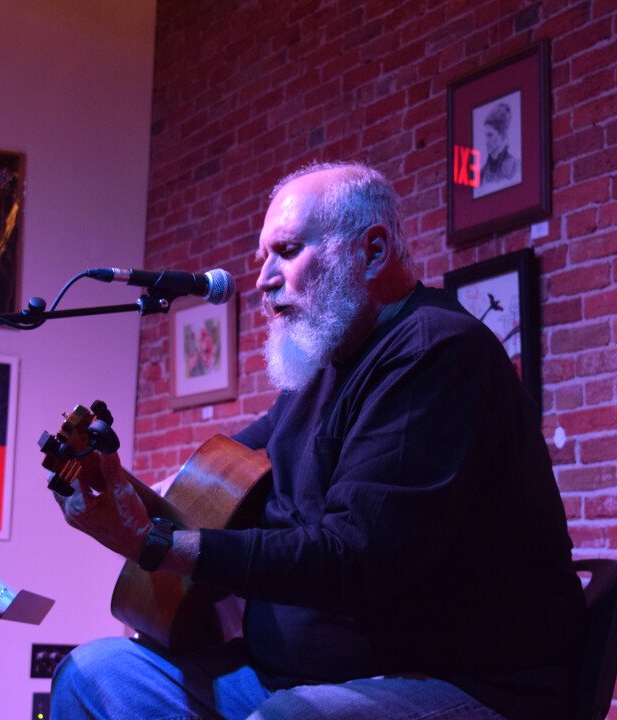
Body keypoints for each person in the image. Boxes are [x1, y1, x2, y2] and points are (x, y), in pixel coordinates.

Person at [51, 162, 585, 720]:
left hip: (458, 682)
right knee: (96, 674)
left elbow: (354, 557)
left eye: (286, 251)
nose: (262, 279)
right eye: (263, 259)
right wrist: (122, 488)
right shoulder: (325, 367)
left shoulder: (436, 354)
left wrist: (153, 544)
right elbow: (221, 471)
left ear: (372, 252)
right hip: (289, 680)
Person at [480, 102, 521, 189]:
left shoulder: (515, 167)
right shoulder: (482, 174)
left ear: (502, 136)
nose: (486, 142)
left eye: (490, 135)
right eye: (486, 136)